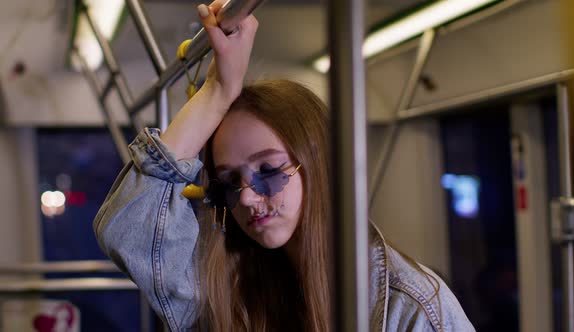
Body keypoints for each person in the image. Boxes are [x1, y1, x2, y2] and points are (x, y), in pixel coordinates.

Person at [93, 1, 475, 331]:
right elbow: (130, 228)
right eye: (229, 182)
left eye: (270, 172)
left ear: (319, 165)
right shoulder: (233, 289)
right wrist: (216, 94)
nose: (246, 199)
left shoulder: (411, 308)